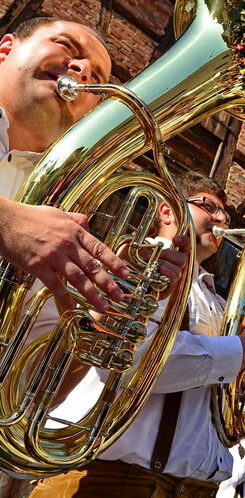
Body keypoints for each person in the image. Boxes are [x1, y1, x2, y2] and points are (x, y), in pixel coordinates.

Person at [30, 171, 245, 497]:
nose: (221, 218)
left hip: (198, 488)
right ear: (167, 210)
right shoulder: (126, 265)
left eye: (226, 215)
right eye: (209, 207)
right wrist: (243, 351)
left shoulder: (218, 300)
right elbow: (126, 360)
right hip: (111, 479)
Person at [0, 16, 189, 311]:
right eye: (65, 45)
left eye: (97, 77)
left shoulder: (61, 207)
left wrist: (120, 299)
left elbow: (36, 351)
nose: (83, 70)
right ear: (5, 49)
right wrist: (7, 222)